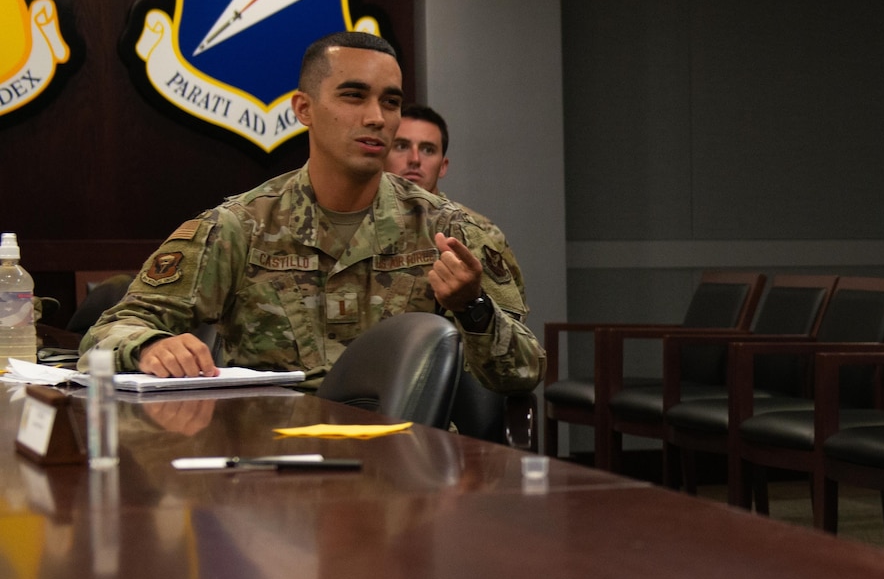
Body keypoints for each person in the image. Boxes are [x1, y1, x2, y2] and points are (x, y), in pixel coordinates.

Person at [82, 32, 544, 394]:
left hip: (409, 459)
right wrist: (150, 345)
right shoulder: (238, 228)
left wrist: (473, 307)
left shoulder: (453, 232)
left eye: (390, 101)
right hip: (270, 461)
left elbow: (524, 372)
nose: (377, 118)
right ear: (304, 108)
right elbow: (108, 330)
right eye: (353, 96)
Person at [388, 103, 452, 196]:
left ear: (442, 167)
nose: (415, 159)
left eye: (428, 150)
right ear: (381, 159)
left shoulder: (459, 211)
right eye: (402, 147)